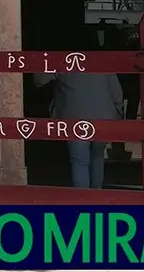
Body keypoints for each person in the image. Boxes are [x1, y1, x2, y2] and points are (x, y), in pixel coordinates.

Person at [32, 28, 123, 189]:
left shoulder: (64, 61)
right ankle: (96, 194)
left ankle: (83, 198)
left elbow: (39, 80)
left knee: (79, 160)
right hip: (103, 117)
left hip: (74, 117)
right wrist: (117, 112)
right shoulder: (102, 61)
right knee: (97, 156)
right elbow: (116, 92)